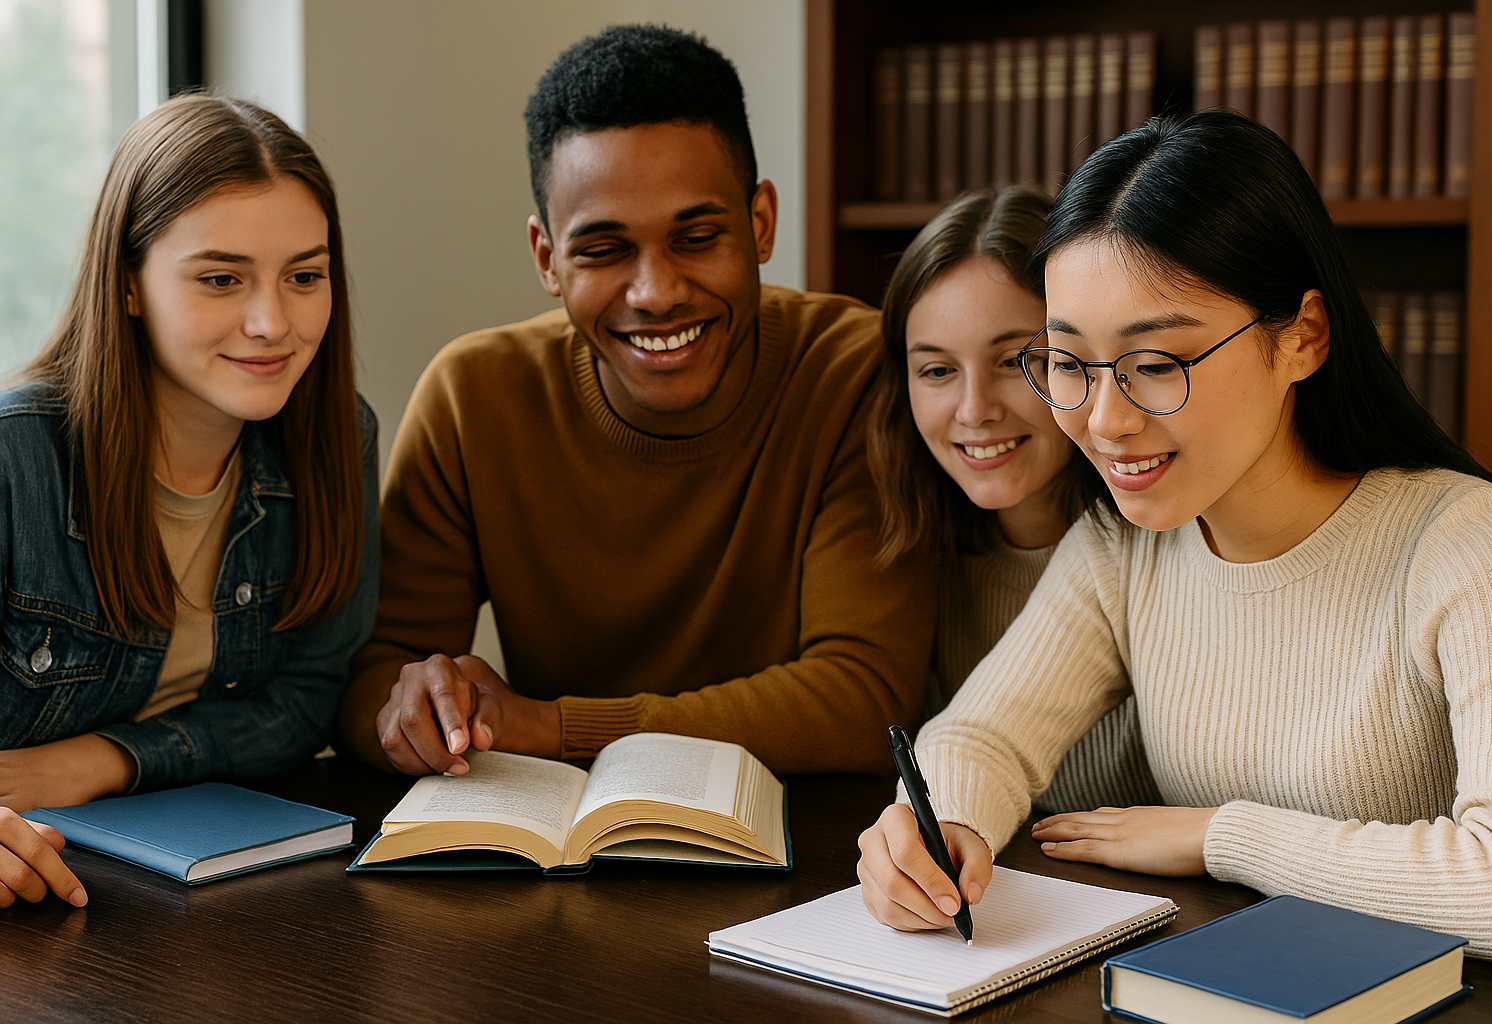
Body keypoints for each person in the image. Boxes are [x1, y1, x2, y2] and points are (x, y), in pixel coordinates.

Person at [857, 111, 1492, 968]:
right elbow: (985, 734)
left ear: (1302, 337)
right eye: (1069, 363)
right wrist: (939, 825)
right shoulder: (1123, 548)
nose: (1104, 421)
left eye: (1155, 364)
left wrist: (1220, 836)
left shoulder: (1472, 543)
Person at [338, 25, 936, 777]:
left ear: (760, 224)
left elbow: (864, 700)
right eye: (603, 250)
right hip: (563, 830)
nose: (656, 293)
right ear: (547, 258)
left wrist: (556, 727)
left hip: (810, 828)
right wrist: (418, 709)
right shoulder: (471, 399)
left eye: (697, 237)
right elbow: (374, 680)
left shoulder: (854, 372)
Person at [0, 95, 380, 909]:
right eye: (220, 279)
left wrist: (106, 759)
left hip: (201, 883)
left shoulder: (335, 436)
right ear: (129, 284)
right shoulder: (13, 459)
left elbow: (309, 697)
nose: (271, 322)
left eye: (304, 277)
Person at [867, 185, 1158, 813]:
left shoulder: (1156, 549)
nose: (975, 410)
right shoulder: (911, 561)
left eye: (1013, 362)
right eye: (937, 371)